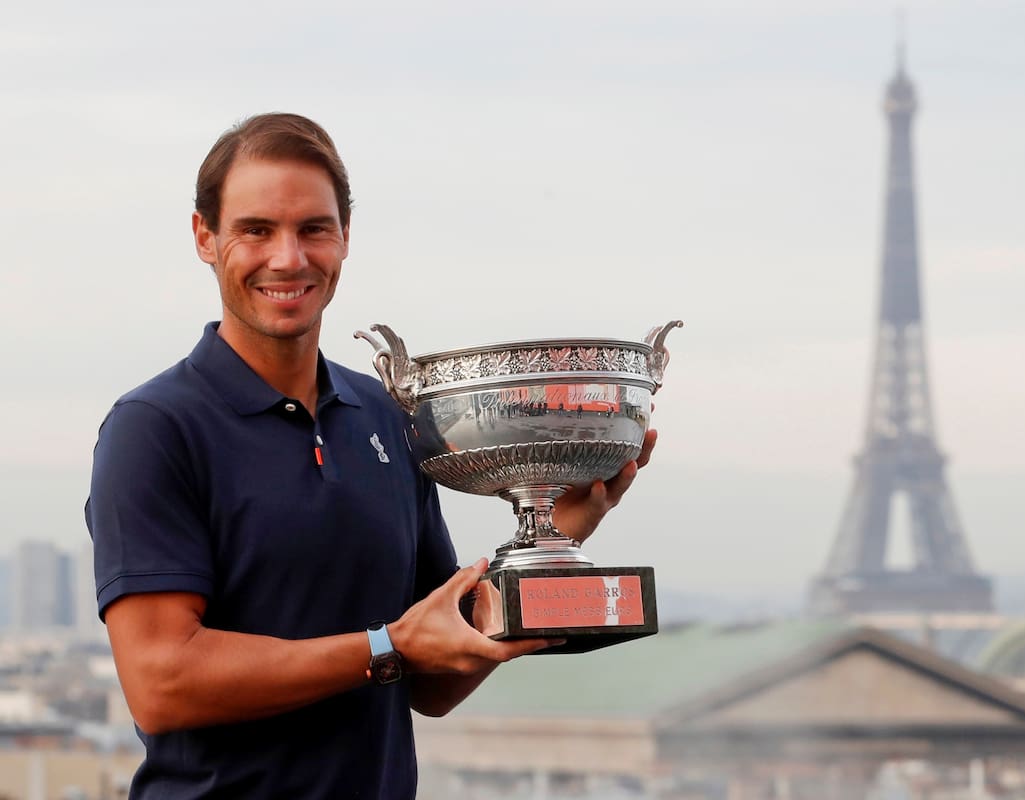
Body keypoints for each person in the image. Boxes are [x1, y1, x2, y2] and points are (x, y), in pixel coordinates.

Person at [84, 112, 656, 799]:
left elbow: (434, 681)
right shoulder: (154, 428)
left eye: (313, 229)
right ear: (205, 237)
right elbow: (162, 684)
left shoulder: (386, 414)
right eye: (256, 230)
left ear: (346, 237)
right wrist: (386, 647)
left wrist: (554, 534)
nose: (288, 258)